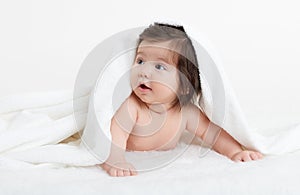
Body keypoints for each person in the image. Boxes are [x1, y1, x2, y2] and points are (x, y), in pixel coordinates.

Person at [100, 23, 263, 177]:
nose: (144, 71)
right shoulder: (132, 106)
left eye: (159, 66)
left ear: (185, 85)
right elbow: (117, 134)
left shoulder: (187, 112)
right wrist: (116, 160)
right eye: (140, 61)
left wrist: (235, 152)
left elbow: (213, 134)